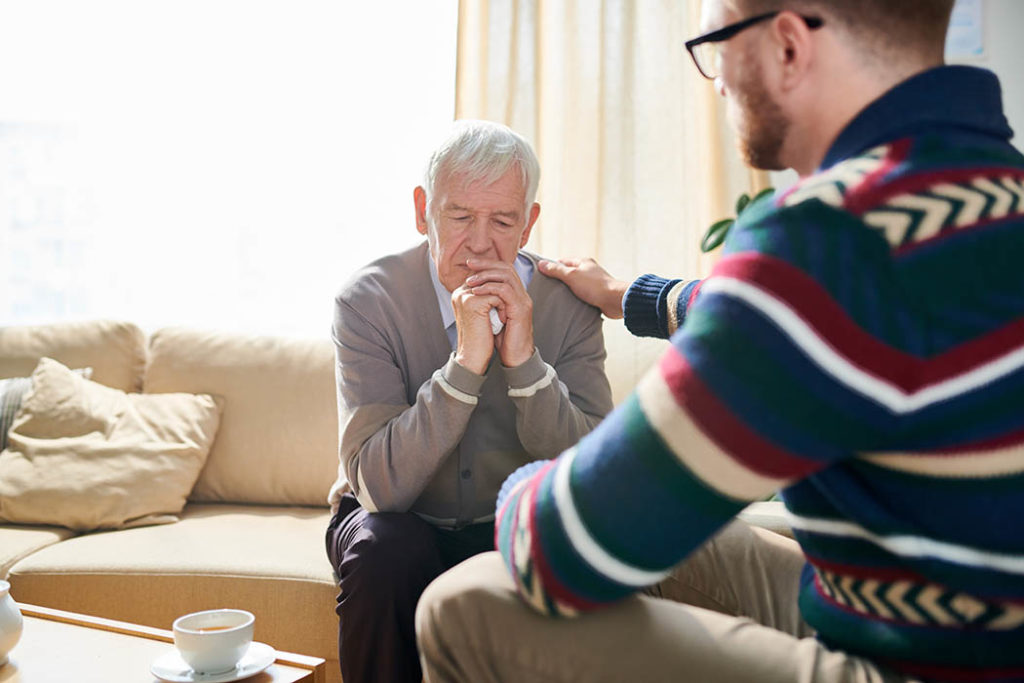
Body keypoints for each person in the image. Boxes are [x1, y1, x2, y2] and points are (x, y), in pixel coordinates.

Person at [415, 1, 1024, 682]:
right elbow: (826, 308)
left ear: (789, 46)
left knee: (463, 602)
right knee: (707, 542)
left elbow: (564, 549)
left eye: (716, 43)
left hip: (925, 665)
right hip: (957, 618)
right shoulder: (983, 193)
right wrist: (627, 295)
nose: (719, 80)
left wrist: (522, 485)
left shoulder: (831, 238)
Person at [324, 119, 614, 683]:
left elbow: (593, 473)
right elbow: (379, 489)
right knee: (387, 549)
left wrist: (524, 362)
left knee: (571, 551)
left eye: (502, 221)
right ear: (421, 211)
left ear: (529, 223)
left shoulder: (570, 304)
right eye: (458, 217)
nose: (480, 243)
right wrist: (465, 367)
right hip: (396, 521)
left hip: (512, 522)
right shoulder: (366, 302)